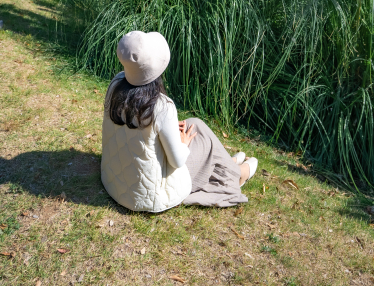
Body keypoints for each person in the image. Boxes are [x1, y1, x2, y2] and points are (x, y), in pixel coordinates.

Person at [101, 30, 258, 213]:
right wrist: (183, 143)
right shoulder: (161, 105)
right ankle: (239, 174)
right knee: (197, 128)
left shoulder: (116, 84)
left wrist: (165, 129)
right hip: (149, 195)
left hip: (115, 182)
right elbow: (177, 161)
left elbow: (137, 130)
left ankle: (229, 164)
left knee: (191, 124)